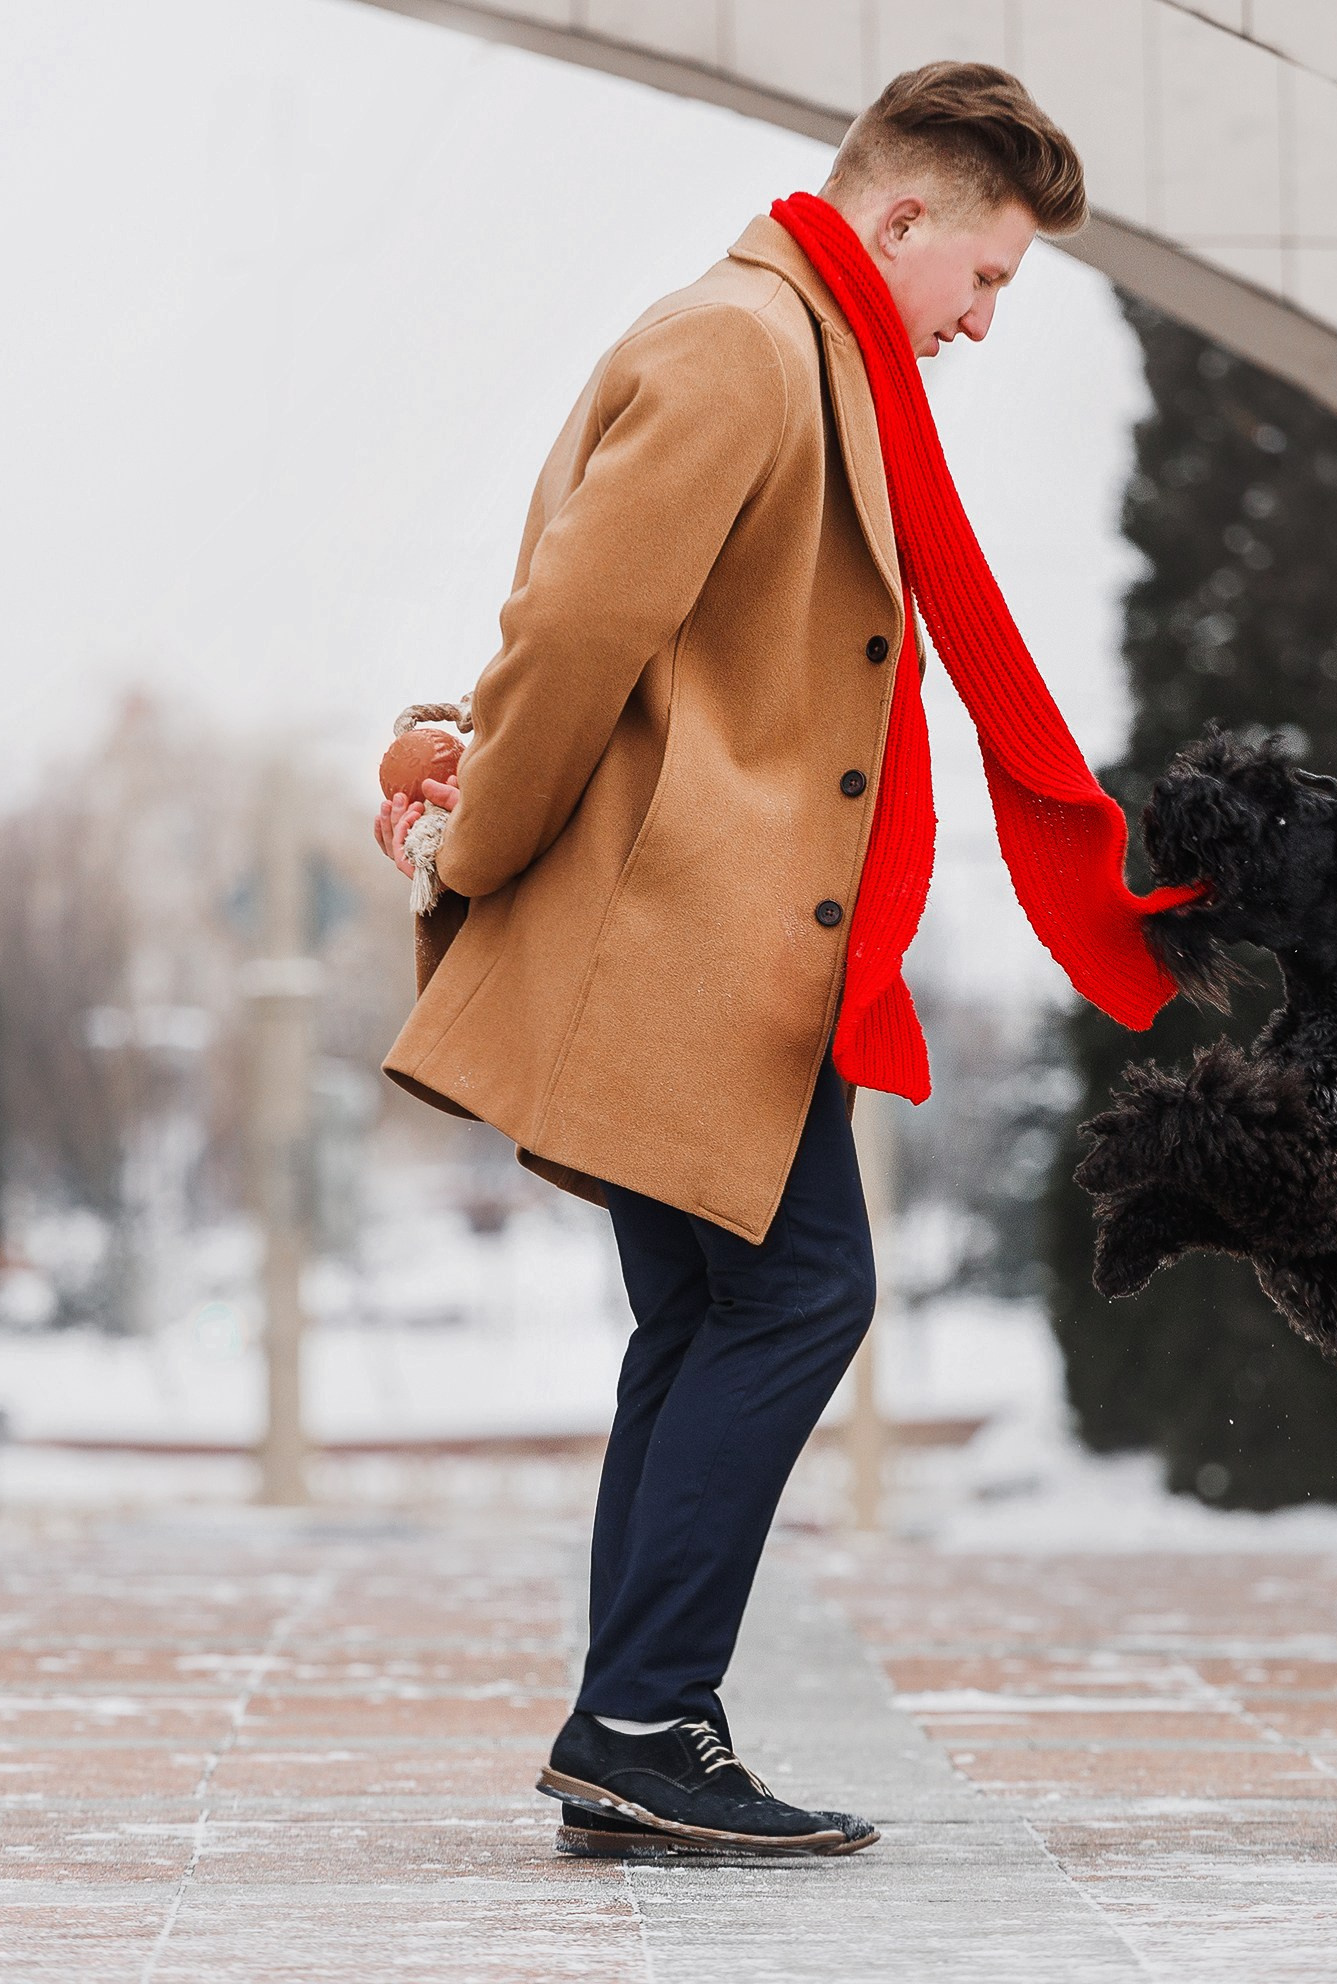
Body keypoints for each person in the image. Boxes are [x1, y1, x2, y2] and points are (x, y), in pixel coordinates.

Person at [371, 63, 1196, 1857]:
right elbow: (585, 618)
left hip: (722, 934)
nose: (981, 324)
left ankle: (636, 1723)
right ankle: (646, 1714)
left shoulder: (809, 360)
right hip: (695, 940)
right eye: (981, 278)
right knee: (805, 1295)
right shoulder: (748, 347)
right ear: (896, 219)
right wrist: (478, 833)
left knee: (707, 1315)